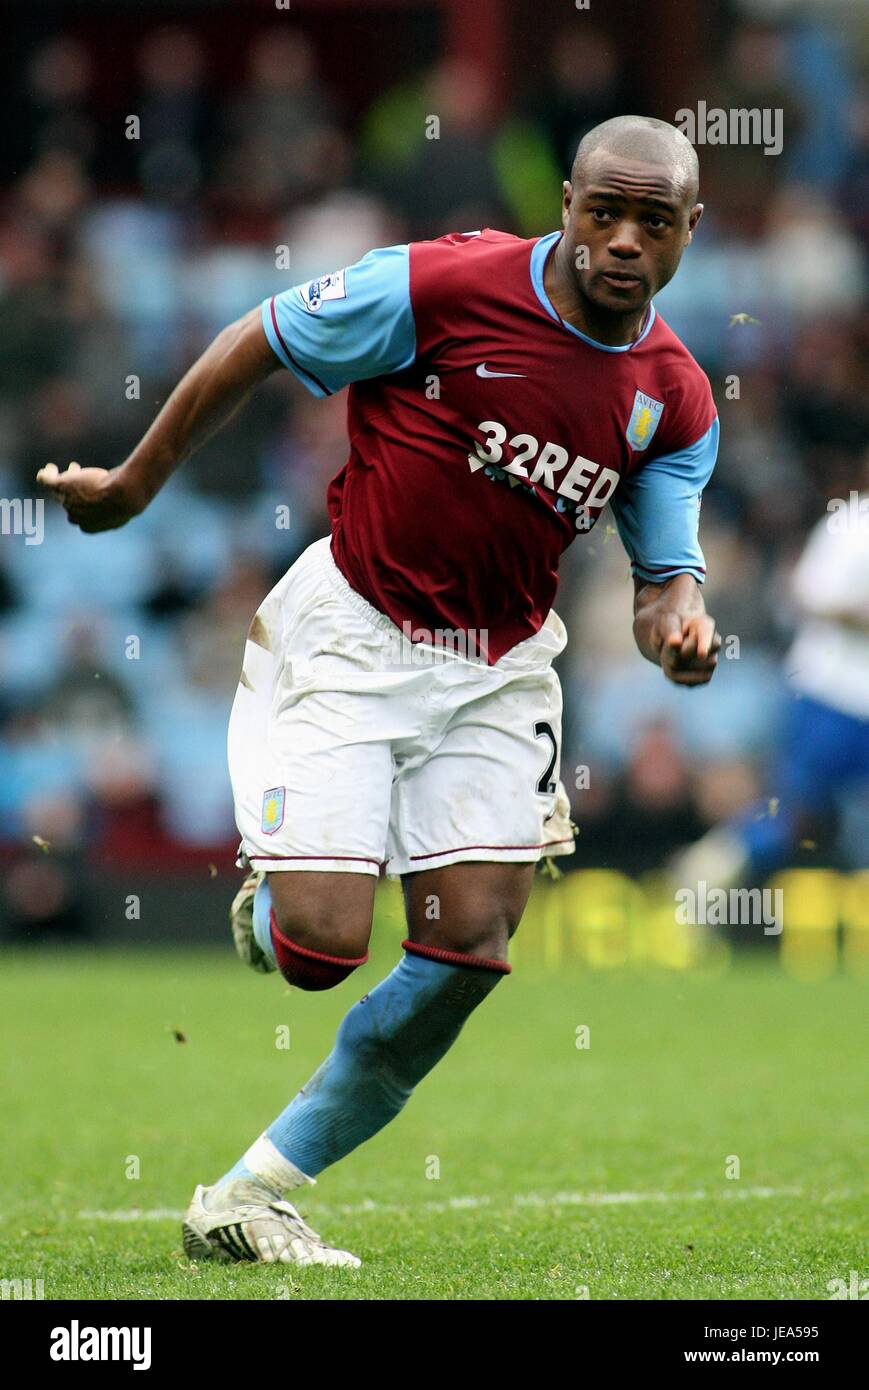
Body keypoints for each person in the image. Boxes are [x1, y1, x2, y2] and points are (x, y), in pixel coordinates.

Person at [38, 115, 721, 1268]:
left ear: (687, 234)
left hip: (498, 672)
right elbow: (253, 341)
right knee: (317, 950)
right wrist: (134, 484)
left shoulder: (673, 398)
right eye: (600, 211)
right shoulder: (439, 285)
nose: (619, 241)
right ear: (562, 202)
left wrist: (681, 631)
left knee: (468, 951)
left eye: (650, 223)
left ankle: (251, 1194)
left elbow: (664, 577)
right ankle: (275, 897)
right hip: (355, 633)